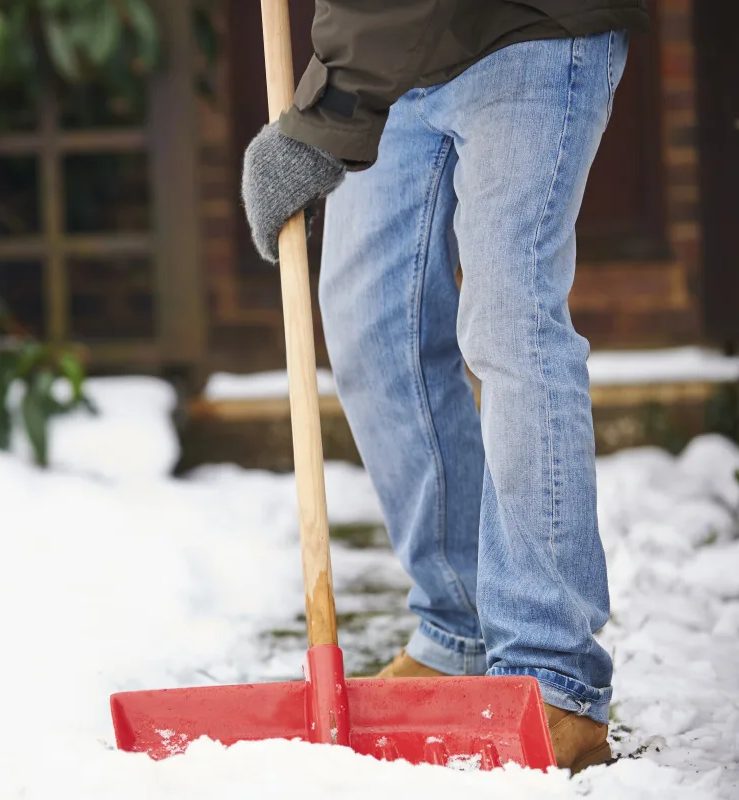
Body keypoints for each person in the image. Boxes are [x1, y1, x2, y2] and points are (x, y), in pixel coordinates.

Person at [241, 0, 649, 773]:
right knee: (368, 321)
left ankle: (550, 675)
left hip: (533, 25)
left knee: (508, 318)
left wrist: (324, 112)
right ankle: (457, 629)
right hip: (397, 60)